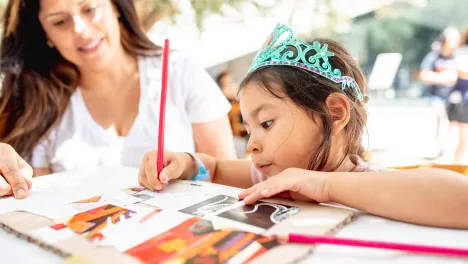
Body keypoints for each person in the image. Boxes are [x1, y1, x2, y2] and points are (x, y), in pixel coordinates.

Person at [139, 24, 468, 229]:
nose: (251, 144)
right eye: (250, 128)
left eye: (266, 123)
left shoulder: (368, 184)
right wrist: (183, 162)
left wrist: (323, 186)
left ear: (335, 114)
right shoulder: (269, 178)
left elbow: (461, 201)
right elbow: (211, 169)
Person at [0, 0, 237, 177]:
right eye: (60, 22)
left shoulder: (178, 70)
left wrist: (190, 166)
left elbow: (227, 177)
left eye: (90, 9)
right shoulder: (40, 106)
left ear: (115, 6)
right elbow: (41, 213)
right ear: (45, 34)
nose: (80, 29)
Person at [419, 28, 461, 157]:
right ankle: (438, 147)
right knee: (439, 117)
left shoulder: (459, 56)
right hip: (437, 95)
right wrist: (443, 78)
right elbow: (423, 75)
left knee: (453, 124)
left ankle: (447, 148)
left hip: (454, 95)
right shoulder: (434, 56)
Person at [448, 27, 468, 163]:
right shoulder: (461, 52)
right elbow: (461, 71)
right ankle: (457, 168)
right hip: (463, 101)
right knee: (463, 140)